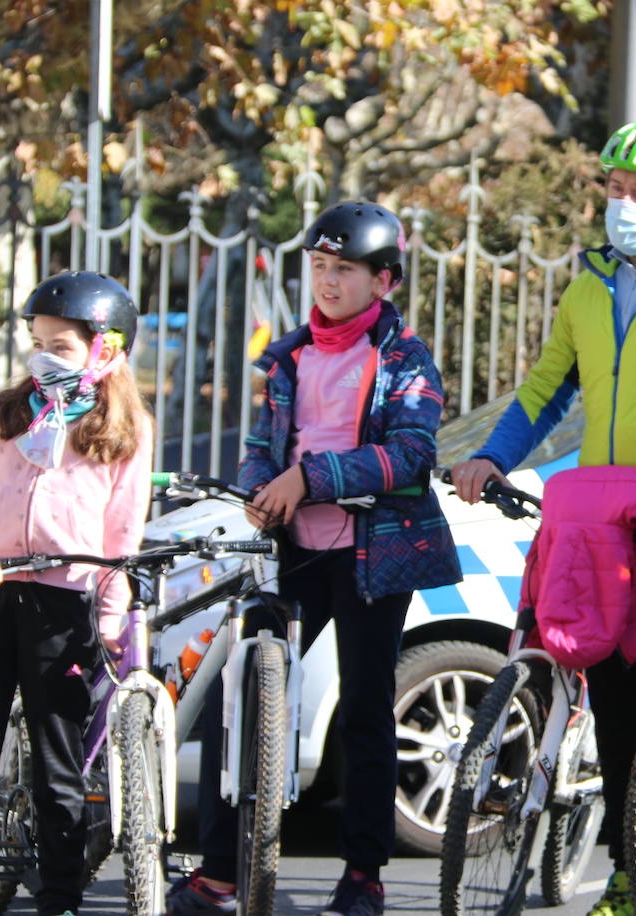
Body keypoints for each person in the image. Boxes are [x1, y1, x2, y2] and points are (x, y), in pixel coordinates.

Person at [450, 118, 636, 916]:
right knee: (619, 709)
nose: (622, 206)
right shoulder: (589, 286)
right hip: (602, 529)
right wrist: (492, 456)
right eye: (614, 191)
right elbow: (547, 389)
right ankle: (625, 871)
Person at [166, 202, 460, 916]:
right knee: (242, 693)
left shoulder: (404, 359)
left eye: (346, 270)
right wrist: (258, 488)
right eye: (319, 267)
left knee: (364, 707)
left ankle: (363, 874)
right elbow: (266, 445)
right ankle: (223, 866)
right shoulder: (291, 355)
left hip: (372, 552)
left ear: (383, 280)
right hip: (291, 548)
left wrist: (313, 479)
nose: (328, 282)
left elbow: (412, 457)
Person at [0, 272, 152, 916]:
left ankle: (60, 896)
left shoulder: (122, 432)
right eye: (37, 343)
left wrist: (107, 618)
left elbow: (120, 540)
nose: (45, 357)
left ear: (106, 350)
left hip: (64, 604)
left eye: (62, 347)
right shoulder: (6, 417)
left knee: (59, 763)